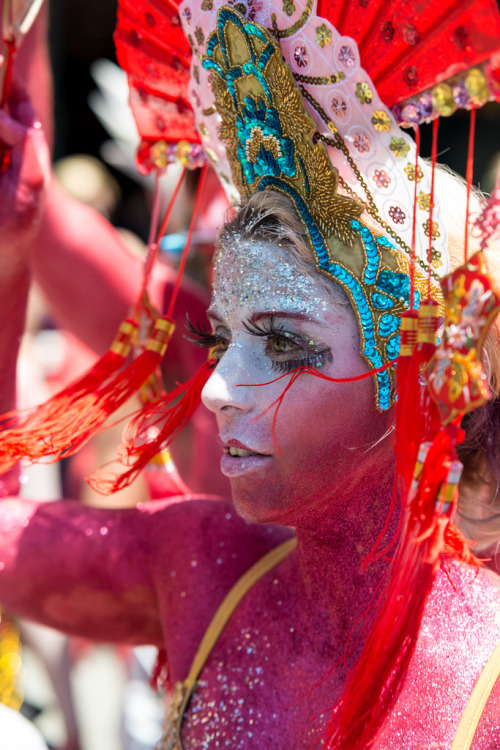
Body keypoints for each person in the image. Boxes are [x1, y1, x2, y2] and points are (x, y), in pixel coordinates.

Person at [1, 1, 500, 749]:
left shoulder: (486, 679)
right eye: (221, 337)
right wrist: (10, 253)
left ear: (425, 377)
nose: (214, 388)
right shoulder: (206, 567)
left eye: (286, 346)